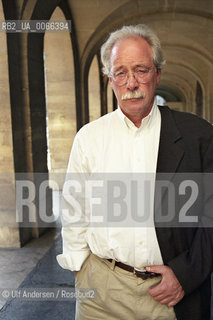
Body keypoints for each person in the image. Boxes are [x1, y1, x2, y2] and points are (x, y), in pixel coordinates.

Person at [57, 24, 213, 320]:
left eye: (141, 70)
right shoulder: (89, 138)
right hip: (101, 293)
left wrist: (186, 275)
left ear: (157, 74)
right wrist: (82, 270)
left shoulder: (199, 136)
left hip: (169, 294)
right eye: (120, 72)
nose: (131, 83)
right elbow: (75, 208)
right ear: (110, 79)